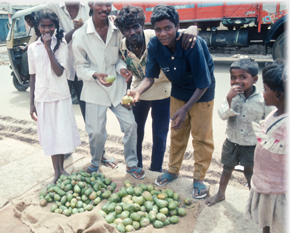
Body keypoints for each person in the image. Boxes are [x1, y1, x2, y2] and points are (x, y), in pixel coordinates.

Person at [126, 4, 216, 194]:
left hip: (202, 92)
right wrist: (137, 92)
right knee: (177, 133)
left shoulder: (192, 44)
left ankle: (199, 179)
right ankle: (173, 171)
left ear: (177, 26)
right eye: (158, 29)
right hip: (178, 92)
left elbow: (203, 83)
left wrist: (185, 109)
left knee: (201, 138)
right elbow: (149, 77)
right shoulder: (155, 45)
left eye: (168, 28)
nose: (162, 33)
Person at [115, 5, 198, 172]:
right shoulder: (122, 46)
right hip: (139, 92)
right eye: (127, 29)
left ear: (142, 26)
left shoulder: (156, 36)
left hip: (164, 92)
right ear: (122, 31)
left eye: (135, 27)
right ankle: (137, 166)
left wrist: (193, 28)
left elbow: (182, 32)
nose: (132, 33)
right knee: (136, 133)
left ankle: (155, 169)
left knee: (159, 136)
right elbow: (117, 62)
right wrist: (122, 69)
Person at [72, 2, 144, 179]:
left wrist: (121, 69)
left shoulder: (117, 31)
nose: (104, 8)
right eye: (100, 4)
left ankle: (132, 164)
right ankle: (96, 162)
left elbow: (120, 57)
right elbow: (79, 67)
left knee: (131, 125)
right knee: (96, 132)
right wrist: (95, 74)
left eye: (107, 4)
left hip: (117, 88)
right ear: (91, 4)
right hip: (94, 89)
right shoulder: (80, 35)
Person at [47, 2, 118, 168]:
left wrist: (112, 19)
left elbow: (109, 20)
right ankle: (65, 148)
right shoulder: (53, 8)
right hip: (61, 71)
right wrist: (78, 29)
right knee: (62, 113)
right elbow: (53, 40)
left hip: (85, 70)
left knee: (91, 117)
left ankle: (100, 152)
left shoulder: (89, 6)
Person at [206, 59, 275, 206]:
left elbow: (269, 122)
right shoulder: (231, 96)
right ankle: (220, 194)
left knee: (249, 172)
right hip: (231, 141)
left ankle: (253, 201)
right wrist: (229, 99)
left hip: (251, 144)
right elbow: (222, 115)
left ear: (254, 79)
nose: (237, 81)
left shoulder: (262, 99)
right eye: (233, 77)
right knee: (226, 168)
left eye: (243, 77)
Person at [28, 8, 81, 184]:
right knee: (50, 135)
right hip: (42, 98)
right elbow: (32, 75)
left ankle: (62, 169)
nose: (47, 30)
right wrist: (31, 103)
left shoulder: (62, 44)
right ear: (38, 27)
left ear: (55, 27)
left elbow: (59, 72)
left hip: (60, 96)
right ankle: (56, 172)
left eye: (50, 26)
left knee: (61, 134)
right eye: (43, 26)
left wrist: (48, 48)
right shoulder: (32, 48)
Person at [245, 60, 286, 233]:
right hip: (264, 180)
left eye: (265, 89)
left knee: (278, 218)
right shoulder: (275, 113)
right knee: (266, 219)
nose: (262, 93)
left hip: (278, 186)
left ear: (279, 95)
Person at [19, 15, 38, 82]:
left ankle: (25, 74)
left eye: (29, 21)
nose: (29, 23)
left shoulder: (38, 28)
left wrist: (25, 48)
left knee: (25, 54)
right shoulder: (36, 27)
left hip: (39, 49)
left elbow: (32, 41)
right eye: (27, 22)